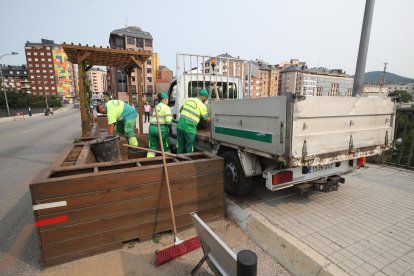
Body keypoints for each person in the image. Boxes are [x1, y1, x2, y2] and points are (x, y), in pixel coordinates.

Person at [177, 89, 211, 154]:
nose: (205, 100)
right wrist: (213, 119)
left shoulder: (188, 100)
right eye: (206, 98)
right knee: (190, 149)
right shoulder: (202, 105)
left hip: (180, 127)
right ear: (203, 97)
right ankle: (189, 162)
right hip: (189, 129)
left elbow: (181, 111)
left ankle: (179, 162)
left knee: (180, 147)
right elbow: (207, 120)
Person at [147, 92, 172, 157]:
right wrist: (170, 129)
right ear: (165, 99)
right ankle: (168, 160)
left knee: (152, 147)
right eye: (167, 99)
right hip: (161, 129)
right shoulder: (166, 108)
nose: (168, 101)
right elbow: (169, 122)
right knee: (165, 146)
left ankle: (148, 161)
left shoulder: (156, 107)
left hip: (152, 128)